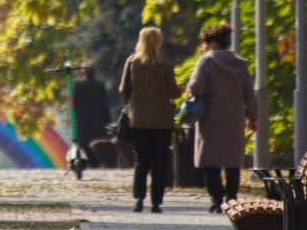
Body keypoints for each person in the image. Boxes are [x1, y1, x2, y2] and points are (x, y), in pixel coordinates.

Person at [187, 23, 259, 213]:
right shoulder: (239, 63)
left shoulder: (206, 61)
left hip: (211, 117)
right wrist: (253, 116)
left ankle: (216, 199)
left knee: (210, 160)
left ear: (211, 43)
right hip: (234, 118)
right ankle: (232, 197)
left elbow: (197, 88)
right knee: (232, 161)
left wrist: (189, 90)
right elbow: (250, 94)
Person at [119, 26, 180, 214]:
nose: (162, 43)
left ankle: (138, 199)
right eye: (160, 40)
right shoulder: (166, 65)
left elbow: (123, 90)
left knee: (141, 161)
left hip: (139, 120)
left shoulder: (132, 62)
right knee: (159, 162)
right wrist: (181, 90)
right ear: (154, 42)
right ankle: (156, 202)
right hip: (162, 122)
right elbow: (173, 92)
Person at [73, 64, 111, 167]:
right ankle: (97, 163)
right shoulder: (100, 85)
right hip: (98, 119)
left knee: (84, 142)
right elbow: (104, 103)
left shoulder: (78, 86)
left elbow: (74, 104)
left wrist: (74, 118)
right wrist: (107, 118)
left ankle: (89, 162)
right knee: (97, 141)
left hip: (83, 119)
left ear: (84, 72)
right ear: (95, 72)